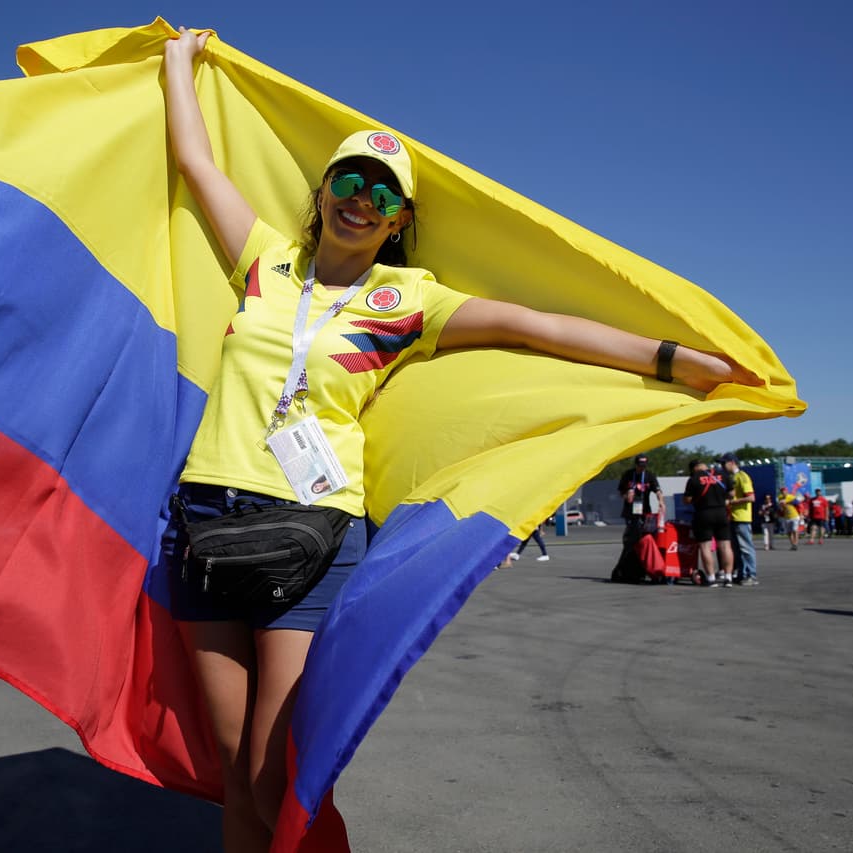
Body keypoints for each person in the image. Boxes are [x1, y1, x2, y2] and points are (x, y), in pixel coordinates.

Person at [162, 28, 762, 850]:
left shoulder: (407, 299)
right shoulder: (265, 260)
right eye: (349, 180)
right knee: (231, 768)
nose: (361, 200)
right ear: (324, 189)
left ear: (399, 219)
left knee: (278, 775)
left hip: (312, 531)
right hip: (207, 518)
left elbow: (537, 326)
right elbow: (196, 162)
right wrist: (176, 61)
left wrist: (668, 359)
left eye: (382, 194)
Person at [684, 459, 734, 586]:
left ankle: (711, 578)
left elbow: (687, 499)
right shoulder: (722, 475)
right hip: (721, 512)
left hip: (704, 513)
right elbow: (732, 493)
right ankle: (728, 577)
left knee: (705, 547)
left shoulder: (694, 479)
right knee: (725, 546)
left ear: (694, 468)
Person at [722, 453, 757, 585]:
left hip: (742, 517)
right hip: (733, 517)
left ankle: (751, 575)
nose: (722, 466)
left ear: (732, 462)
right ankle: (742, 573)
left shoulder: (743, 477)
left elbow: (751, 497)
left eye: (724, 463)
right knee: (737, 549)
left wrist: (732, 502)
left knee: (746, 548)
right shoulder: (732, 477)